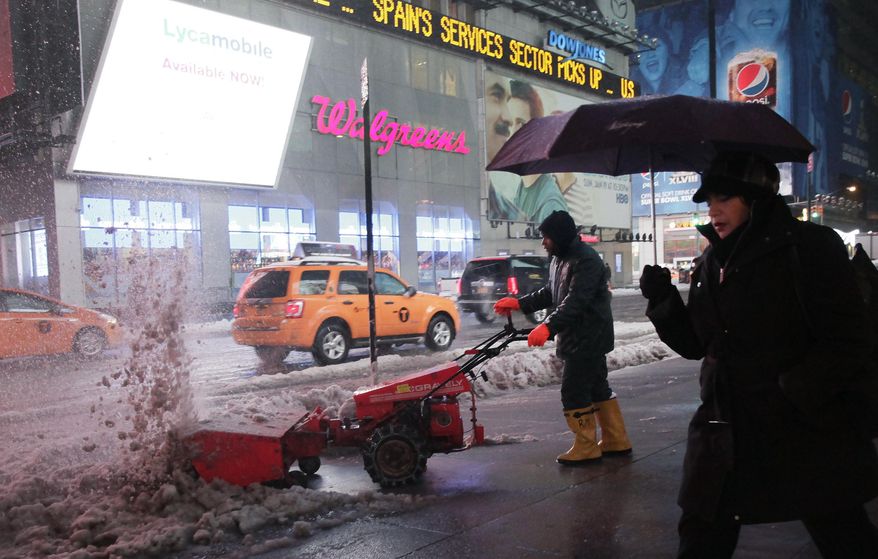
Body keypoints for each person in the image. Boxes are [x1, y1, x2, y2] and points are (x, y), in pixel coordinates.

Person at [639, 151, 878, 558]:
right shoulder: (713, 259)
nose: (713, 210)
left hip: (803, 428)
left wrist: (797, 388)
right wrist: (663, 300)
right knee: (700, 530)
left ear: (757, 199)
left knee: (841, 531)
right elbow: (698, 344)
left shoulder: (809, 247)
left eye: (725, 199)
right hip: (723, 426)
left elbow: (851, 337)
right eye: (709, 200)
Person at [494, 210, 632, 465]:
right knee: (597, 387)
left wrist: (548, 327)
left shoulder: (586, 260)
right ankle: (615, 439)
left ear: (560, 236)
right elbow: (551, 292)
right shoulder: (559, 259)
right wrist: (519, 304)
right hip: (578, 336)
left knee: (574, 390)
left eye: (546, 237)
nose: (543, 242)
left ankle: (586, 446)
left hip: (588, 337)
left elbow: (576, 301)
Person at [506, 80, 567, 225]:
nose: (512, 133)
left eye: (521, 123)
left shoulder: (550, 205)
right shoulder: (521, 191)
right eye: (509, 122)